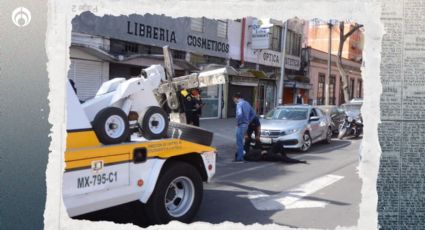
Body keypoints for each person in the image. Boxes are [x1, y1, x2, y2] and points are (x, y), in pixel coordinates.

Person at [233, 92, 254, 162]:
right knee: (241, 141)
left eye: (234, 99)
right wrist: (248, 121)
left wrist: (238, 123)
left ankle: (239, 158)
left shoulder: (239, 104)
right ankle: (241, 156)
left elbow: (239, 115)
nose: (234, 100)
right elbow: (253, 114)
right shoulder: (247, 103)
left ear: (236, 98)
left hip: (241, 125)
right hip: (246, 125)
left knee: (239, 142)